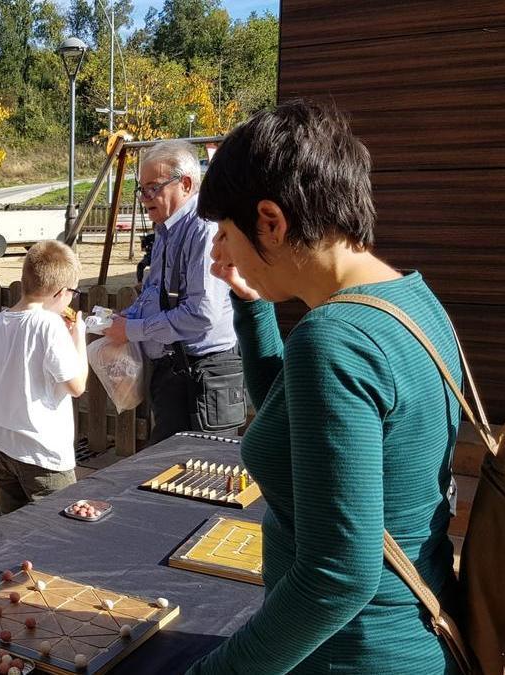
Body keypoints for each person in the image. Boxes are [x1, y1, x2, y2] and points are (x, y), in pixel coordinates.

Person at [185, 101, 461, 673]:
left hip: (352, 654)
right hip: (416, 632)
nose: (224, 254)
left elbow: (337, 577)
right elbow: (291, 423)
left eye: (228, 234)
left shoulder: (333, 339)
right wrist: (251, 306)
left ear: (271, 220)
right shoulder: (410, 303)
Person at [104, 140, 245, 443]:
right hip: (176, 375)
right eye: (141, 189)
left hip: (204, 376)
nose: (144, 198)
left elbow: (201, 314)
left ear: (186, 184)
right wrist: (123, 319)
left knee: (201, 477)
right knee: (166, 473)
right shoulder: (168, 229)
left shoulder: (203, 230)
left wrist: (131, 329)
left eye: (153, 187)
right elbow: (156, 292)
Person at [0, 241, 88, 515]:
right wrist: (79, 338)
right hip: (43, 454)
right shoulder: (49, 325)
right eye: (72, 294)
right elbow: (77, 385)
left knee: (11, 529)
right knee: (57, 533)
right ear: (62, 292)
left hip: (4, 443)